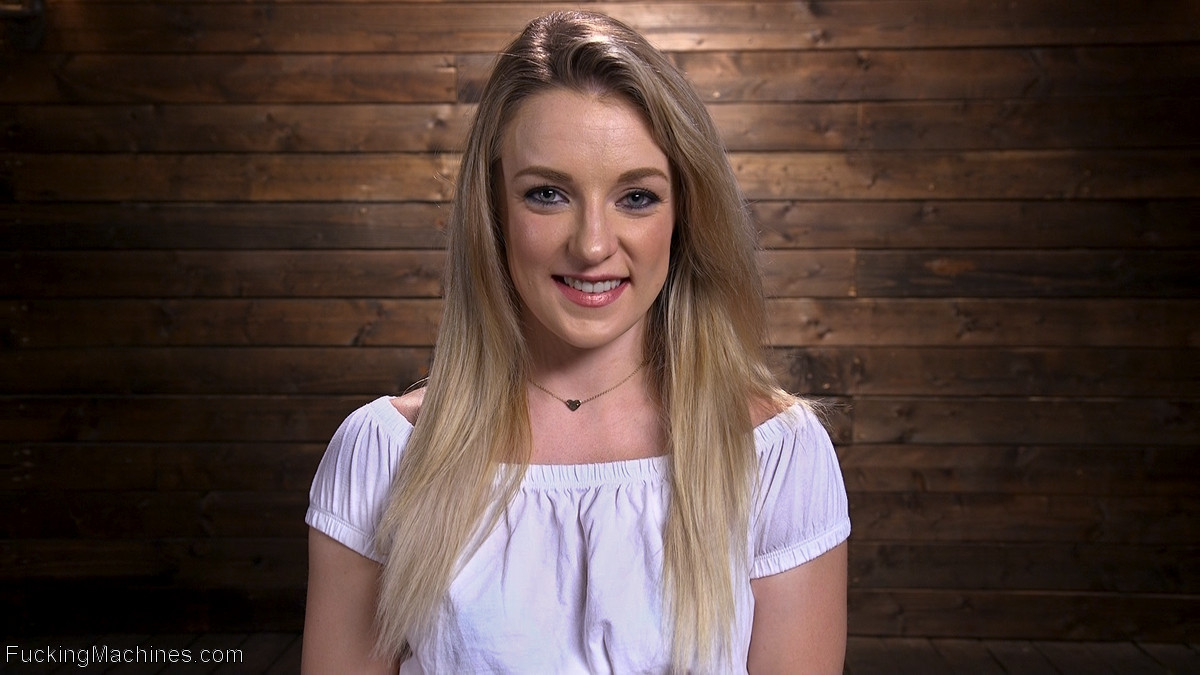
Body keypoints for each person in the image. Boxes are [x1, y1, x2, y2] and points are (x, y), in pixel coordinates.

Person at [301, 10, 850, 674]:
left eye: (636, 197)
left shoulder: (776, 456)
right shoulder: (385, 455)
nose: (592, 245)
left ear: (685, 213)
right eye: (547, 193)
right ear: (492, 210)